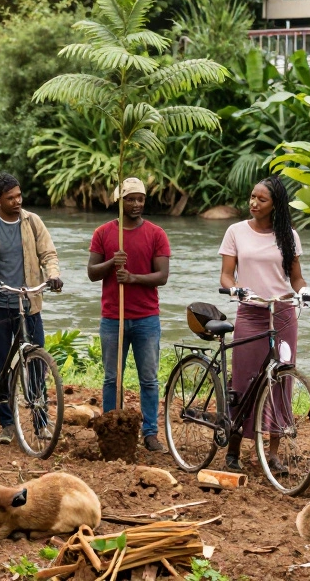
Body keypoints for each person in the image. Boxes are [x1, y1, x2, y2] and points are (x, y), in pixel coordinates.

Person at [0, 172, 63, 444]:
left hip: (28, 304)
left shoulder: (33, 222)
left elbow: (48, 254)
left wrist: (52, 275)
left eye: (19, 195)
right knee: (0, 367)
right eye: (10, 198)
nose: (17, 201)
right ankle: (6, 424)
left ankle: (41, 423)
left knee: (37, 364)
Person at [218, 176, 310, 472]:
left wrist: (304, 291)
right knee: (243, 380)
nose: (254, 203)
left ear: (275, 205)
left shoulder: (289, 236)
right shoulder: (236, 231)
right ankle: (233, 450)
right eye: (252, 197)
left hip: (283, 312)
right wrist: (235, 290)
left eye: (262, 199)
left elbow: (295, 277)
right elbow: (226, 274)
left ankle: (273, 452)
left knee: (281, 378)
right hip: (251, 310)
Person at [87, 178, 170, 452]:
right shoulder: (103, 232)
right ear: (119, 201)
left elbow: (162, 277)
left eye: (140, 199)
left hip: (147, 317)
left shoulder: (156, 233)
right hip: (113, 318)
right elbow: (91, 273)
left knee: (149, 378)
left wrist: (132, 277)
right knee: (112, 378)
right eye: (130, 199)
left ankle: (150, 433)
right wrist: (113, 262)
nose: (136, 204)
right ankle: (111, 427)